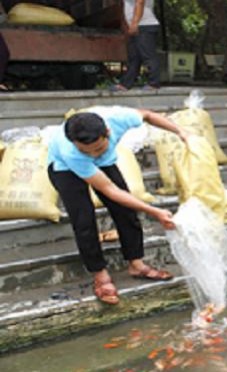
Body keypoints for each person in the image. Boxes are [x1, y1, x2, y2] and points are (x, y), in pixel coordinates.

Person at [47, 107, 189, 305]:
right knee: (84, 220)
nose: (93, 154)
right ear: (75, 144)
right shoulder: (72, 152)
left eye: (98, 148)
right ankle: (100, 274)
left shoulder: (118, 119)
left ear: (108, 132)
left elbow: (148, 115)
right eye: (86, 150)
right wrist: (154, 210)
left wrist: (180, 131)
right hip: (64, 169)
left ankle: (136, 264)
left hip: (106, 163)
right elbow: (109, 189)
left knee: (125, 211)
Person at [113, 0, 161, 91]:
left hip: (144, 25)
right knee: (134, 57)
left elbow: (140, 2)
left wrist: (135, 23)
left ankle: (154, 83)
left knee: (148, 56)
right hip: (137, 26)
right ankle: (126, 84)